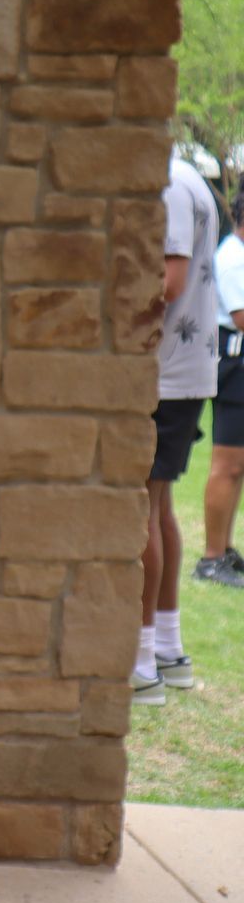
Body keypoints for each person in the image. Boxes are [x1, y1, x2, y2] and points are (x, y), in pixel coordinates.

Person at [137, 156, 220, 706]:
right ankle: (167, 647)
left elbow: (168, 281)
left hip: (163, 372)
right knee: (159, 508)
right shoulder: (191, 176)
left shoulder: (166, 181)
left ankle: (139, 662)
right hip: (184, 371)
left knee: (139, 509)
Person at [195, 189, 244, 589]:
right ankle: (211, 558)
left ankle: (225, 549)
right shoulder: (232, 258)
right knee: (227, 464)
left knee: (237, 466)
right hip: (235, 367)